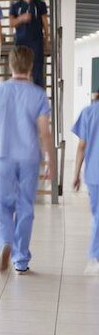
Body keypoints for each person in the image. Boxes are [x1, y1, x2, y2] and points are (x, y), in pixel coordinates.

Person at [0, 46, 56, 274]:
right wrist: (52, 162)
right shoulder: (38, 95)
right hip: (30, 156)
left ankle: (5, 242)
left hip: (4, 154)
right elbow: (44, 132)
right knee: (25, 207)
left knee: (2, 205)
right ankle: (21, 260)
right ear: (31, 66)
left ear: (10, 65)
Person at [72, 97, 99, 274]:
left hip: (94, 173)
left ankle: (96, 255)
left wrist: (76, 174)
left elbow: (82, 146)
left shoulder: (89, 112)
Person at [9, 0, 50, 89]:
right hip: (21, 41)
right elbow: (11, 23)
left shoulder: (39, 3)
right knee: (20, 69)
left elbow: (45, 22)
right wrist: (21, 18)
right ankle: (20, 92)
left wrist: (46, 38)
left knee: (37, 69)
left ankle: (38, 94)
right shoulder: (15, 5)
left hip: (36, 40)